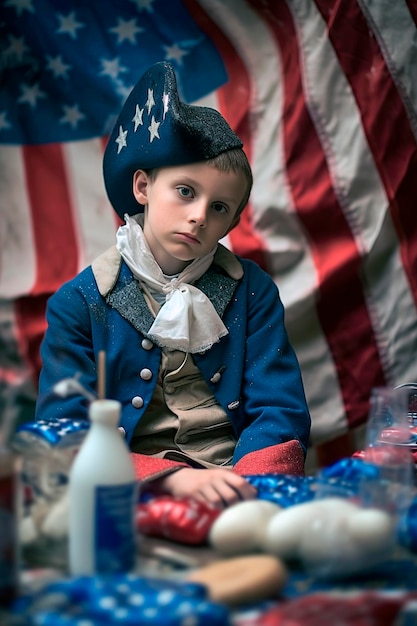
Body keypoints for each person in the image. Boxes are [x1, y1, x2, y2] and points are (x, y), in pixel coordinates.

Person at [35, 61, 311, 508]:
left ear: (233, 221)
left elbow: (279, 410)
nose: (200, 214)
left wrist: (254, 491)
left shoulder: (252, 291)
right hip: (134, 486)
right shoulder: (80, 302)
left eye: (219, 206)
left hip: (240, 482)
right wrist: (169, 480)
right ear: (142, 186)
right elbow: (64, 433)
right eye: (186, 191)